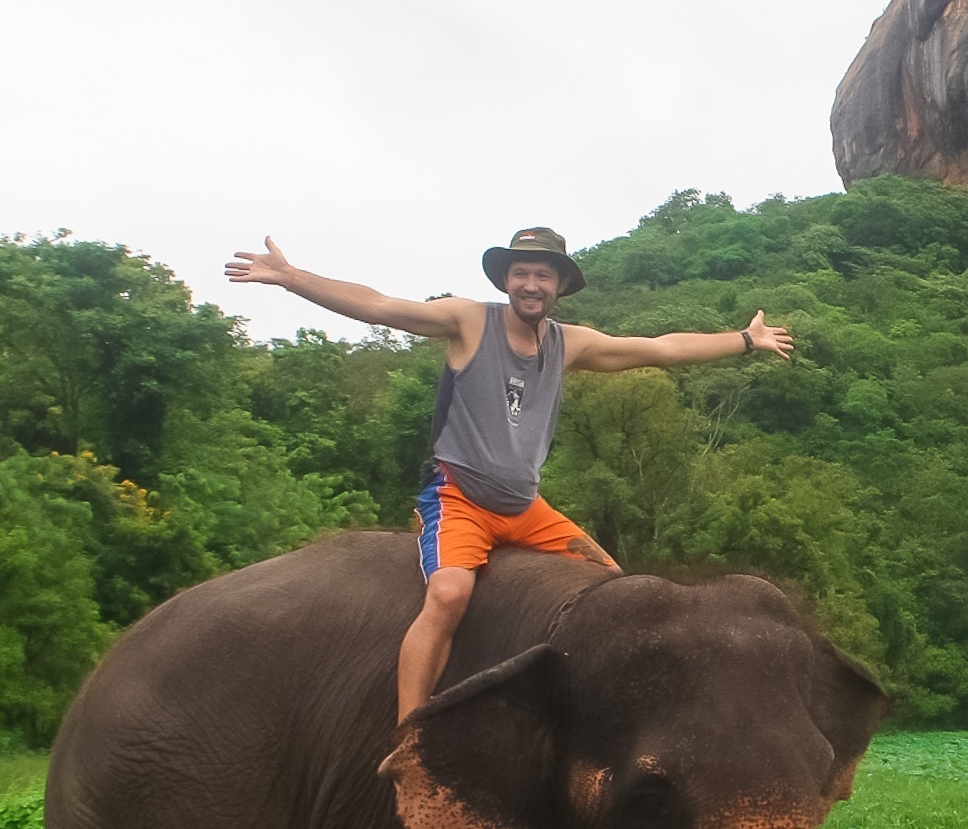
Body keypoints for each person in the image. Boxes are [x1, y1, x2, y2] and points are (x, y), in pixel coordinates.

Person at [226, 226, 794, 720]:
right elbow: (378, 306)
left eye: (543, 276)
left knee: (613, 586)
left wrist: (746, 340)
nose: (531, 284)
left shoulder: (570, 344)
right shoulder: (468, 321)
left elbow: (662, 348)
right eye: (521, 273)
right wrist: (291, 276)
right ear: (506, 281)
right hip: (459, 497)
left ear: (559, 287)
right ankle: (410, 732)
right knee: (448, 595)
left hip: (525, 509)